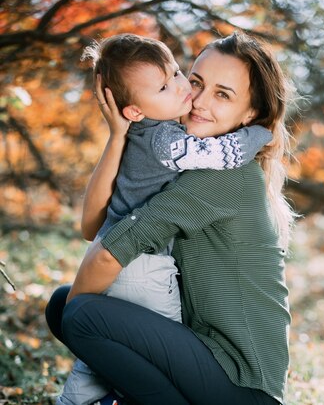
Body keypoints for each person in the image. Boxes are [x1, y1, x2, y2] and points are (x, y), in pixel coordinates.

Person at [46, 31, 295, 404]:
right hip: (203, 357)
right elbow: (93, 226)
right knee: (64, 306)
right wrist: (118, 136)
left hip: (240, 382)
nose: (198, 101)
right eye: (195, 82)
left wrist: (81, 322)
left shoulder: (224, 177)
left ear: (250, 114)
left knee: (79, 313)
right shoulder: (183, 158)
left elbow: (106, 253)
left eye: (222, 94)